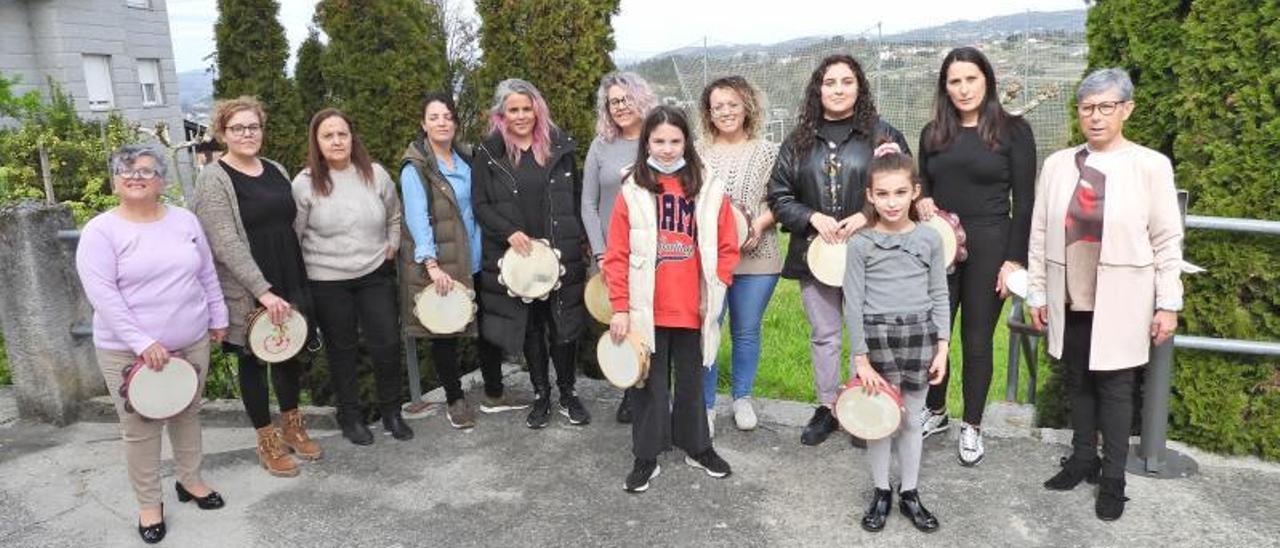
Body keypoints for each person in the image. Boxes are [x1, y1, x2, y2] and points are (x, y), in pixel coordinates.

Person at [1030, 68, 1183, 521]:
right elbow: (1040, 232)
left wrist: (1167, 303)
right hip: (1070, 292)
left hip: (1123, 296)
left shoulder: (1149, 165)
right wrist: (1037, 292)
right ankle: (1082, 458)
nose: (1095, 117)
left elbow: (1166, 240)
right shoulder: (1058, 164)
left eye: (1105, 107)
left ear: (1126, 109)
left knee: (1116, 388)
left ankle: (1113, 478)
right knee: (1077, 377)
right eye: (1087, 108)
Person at [76, 145, 228, 544]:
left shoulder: (185, 221)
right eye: (126, 170)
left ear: (161, 180)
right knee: (140, 427)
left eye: (146, 170)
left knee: (188, 414)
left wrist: (218, 317)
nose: (136, 176)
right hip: (127, 350)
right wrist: (143, 342)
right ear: (115, 180)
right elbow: (103, 295)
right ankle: (148, 504)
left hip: (191, 339)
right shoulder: (101, 232)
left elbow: (206, 273)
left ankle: (190, 481)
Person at [766, 53, 910, 446]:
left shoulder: (883, 136)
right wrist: (812, 217)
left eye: (847, 81)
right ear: (818, 89)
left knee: (867, 333)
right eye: (830, 82)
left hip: (872, 252)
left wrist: (867, 214)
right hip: (815, 255)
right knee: (825, 334)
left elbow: (905, 186)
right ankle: (829, 407)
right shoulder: (797, 141)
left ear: (859, 87)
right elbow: (778, 195)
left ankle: (863, 407)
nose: (838, 89)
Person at [603, 105, 740, 493]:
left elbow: (727, 241)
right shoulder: (633, 189)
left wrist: (719, 282)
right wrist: (619, 307)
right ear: (646, 141)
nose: (666, 149)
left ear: (687, 142)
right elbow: (616, 254)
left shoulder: (707, 184)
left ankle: (698, 447)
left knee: (694, 381)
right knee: (649, 384)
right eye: (658, 140)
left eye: (675, 141)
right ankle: (646, 455)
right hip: (648, 308)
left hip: (693, 306)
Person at [915, 47, 1037, 466]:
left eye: (971, 79)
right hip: (941, 246)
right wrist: (924, 203)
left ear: (987, 80)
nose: (963, 89)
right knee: (935, 333)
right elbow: (923, 188)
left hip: (990, 243)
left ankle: (972, 424)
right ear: (944, 87)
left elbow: (1025, 202)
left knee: (977, 338)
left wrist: (1014, 259)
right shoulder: (933, 133)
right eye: (954, 81)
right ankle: (936, 410)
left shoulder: (1014, 132)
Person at [193, 96, 322, 478]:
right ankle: (267, 442)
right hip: (248, 286)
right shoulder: (214, 179)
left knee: (288, 351)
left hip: (287, 272)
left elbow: (291, 222)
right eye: (238, 128)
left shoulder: (275, 169)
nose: (247, 134)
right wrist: (263, 290)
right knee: (253, 360)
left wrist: (292, 279)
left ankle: (292, 426)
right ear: (222, 133)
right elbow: (224, 242)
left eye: (254, 127)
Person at [398, 92, 528, 429]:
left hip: (478, 259)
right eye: (434, 117)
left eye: (448, 117)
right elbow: (417, 217)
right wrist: (431, 265)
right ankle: (455, 400)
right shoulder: (417, 168)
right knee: (446, 332)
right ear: (423, 124)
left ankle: (495, 394)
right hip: (443, 264)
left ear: (455, 123)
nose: (442, 123)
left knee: (488, 328)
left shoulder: (468, 159)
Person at [473, 78, 591, 429]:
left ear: (537, 109)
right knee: (531, 329)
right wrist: (508, 232)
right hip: (517, 259)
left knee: (563, 325)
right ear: (502, 114)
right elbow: (480, 204)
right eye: (514, 110)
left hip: (559, 253)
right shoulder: (488, 152)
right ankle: (542, 394)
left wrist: (582, 243)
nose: (522, 115)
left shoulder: (559, 146)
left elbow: (575, 198)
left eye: (527, 108)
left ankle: (568, 392)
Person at [293, 108, 412, 445]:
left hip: (374, 273)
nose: (336, 141)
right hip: (327, 280)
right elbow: (295, 236)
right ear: (317, 142)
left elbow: (394, 215)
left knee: (387, 343)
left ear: (352, 137)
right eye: (328, 135)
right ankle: (351, 416)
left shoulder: (375, 174)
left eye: (342, 134)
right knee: (342, 350)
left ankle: (392, 412)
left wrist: (392, 244)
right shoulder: (304, 184)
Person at [844, 150, 948, 533]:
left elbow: (939, 292)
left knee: (911, 421)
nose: (891, 202)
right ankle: (881, 490)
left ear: (914, 193)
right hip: (876, 337)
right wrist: (861, 358)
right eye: (883, 194)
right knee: (881, 420)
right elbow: (852, 302)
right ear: (870, 195)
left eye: (900, 193)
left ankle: (910, 493)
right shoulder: (861, 244)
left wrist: (943, 345)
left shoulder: (929, 239)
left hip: (919, 334)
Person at [695, 76, 780, 435]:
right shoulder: (697, 151)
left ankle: (742, 397)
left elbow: (783, 198)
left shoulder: (768, 150)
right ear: (708, 113)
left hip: (756, 254)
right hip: (709, 259)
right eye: (718, 106)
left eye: (732, 104)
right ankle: (706, 404)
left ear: (747, 106)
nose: (726, 112)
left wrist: (757, 225)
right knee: (708, 326)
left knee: (746, 330)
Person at [582, 71, 657, 424]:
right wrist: (601, 253)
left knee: (656, 322)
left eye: (626, 99)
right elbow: (588, 204)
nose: (621, 107)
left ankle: (657, 390)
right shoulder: (601, 146)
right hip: (614, 255)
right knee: (622, 322)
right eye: (614, 102)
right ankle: (631, 389)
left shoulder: (659, 139)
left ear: (641, 98)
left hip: (656, 253)